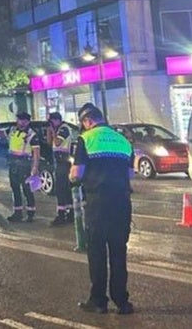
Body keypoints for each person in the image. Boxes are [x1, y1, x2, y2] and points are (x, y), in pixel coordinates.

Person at [70, 103, 135, 315]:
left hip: (98, 203)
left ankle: (98, 301)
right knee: (118, 251)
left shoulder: (86, 139)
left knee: (97, 252)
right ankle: (122, 301)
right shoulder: (123, 140)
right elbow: (130, 175)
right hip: (122, 202)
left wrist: (72, 179)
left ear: (87, 121)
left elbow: (77, 174)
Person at [0, 112, 40, 222]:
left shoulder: (32, 134)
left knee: (27, 190)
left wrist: (35, 168)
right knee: (15, 189)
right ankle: (17, 213)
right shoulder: (12, 130)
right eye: (19, 120)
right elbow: (0, 134)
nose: (21, 122)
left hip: (24, 165)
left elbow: (36, 152)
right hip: (13, 164)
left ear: (28, 122)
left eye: (23, 120)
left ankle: (30, 214)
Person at [47, 112, 76, 226]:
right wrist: (49, 131)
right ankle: (68, 213)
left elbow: (57, 143)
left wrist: (53, 132)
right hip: (58, 161)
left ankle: (63, 214)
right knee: (63, 188)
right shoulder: (57, 129)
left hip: (64, 162)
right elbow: (50, 143)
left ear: (57, 120)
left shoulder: (64, 129)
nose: (51, 124)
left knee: (62, 188)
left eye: (52, 121)